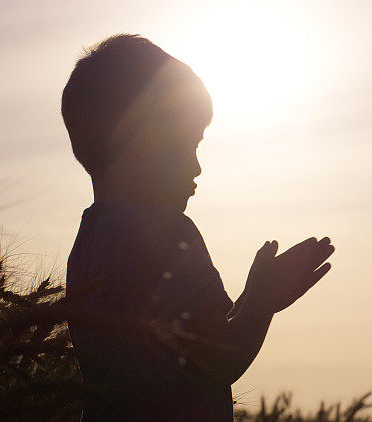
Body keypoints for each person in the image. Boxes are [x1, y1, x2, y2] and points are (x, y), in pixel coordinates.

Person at [61, 34, 335, 421]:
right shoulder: (167, 232)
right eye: (187, 144)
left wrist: (250, 298)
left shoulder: (89, 243)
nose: (196, 167)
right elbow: (217, 359)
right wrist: (264, 301)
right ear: (143, 139)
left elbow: (181, 347)